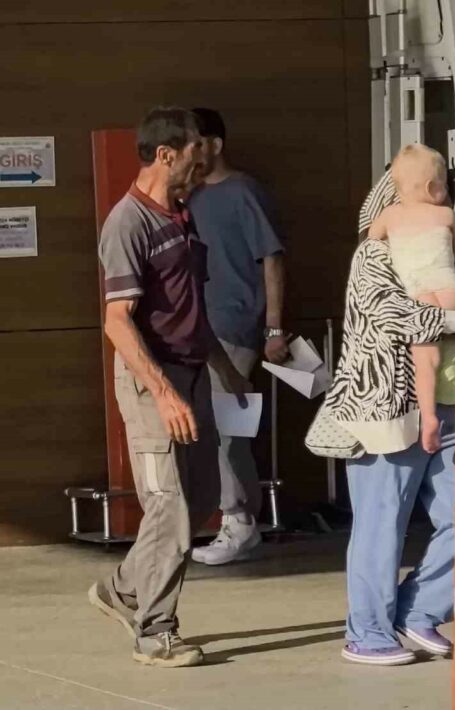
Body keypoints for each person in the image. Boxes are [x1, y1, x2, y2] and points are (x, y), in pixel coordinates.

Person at [89, 107, 250, 667]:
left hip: (193, 374)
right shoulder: (127, 224)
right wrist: (162, 392)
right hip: (151, 384)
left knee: (201, 497)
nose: (202, 166)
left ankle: (123, 588)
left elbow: (189, 307)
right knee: (170, 506)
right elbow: (117, 321)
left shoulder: (182, 214)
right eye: (194, 156)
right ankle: (155, 631)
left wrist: (223, 369)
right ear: (165, 154)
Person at [325, 169, 455, 666]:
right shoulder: (372, 256)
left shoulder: (443, 255)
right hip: (386, 411)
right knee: (381, 526)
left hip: (454, 406)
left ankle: (418, 611)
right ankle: (367, 633)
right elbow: (394, 316)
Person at [186, 108, 288, 566]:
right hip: (199, 329)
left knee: (228, 428)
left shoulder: (243, 192)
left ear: (215, 144)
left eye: (195, 142)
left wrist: (273, 328)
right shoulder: (189, 195)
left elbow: (273, 259)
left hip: (234, 326)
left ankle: (241, 523)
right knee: (212, 428)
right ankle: (233, 519)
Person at [367, 144, 455, 453]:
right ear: (433, 188)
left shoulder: (389, 215)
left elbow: (371, 243)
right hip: (450, 291)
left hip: (418, 298)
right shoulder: (445, 214)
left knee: (426, 361)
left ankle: (429, 416)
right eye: (445, 185)